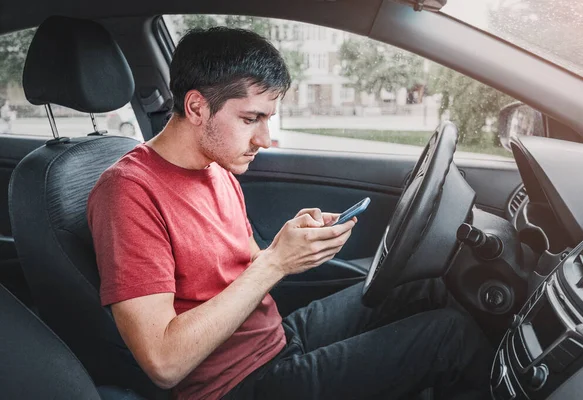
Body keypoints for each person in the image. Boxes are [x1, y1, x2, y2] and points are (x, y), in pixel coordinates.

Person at [88, 27, 492, 400]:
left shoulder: (215, 168)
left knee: (425, 284)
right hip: (236, 385)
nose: (264, 139)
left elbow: (245, 270)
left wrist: (293, 244)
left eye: (268, 119)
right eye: (251, 119)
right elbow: (164, 362)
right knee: (449, 337)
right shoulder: (128, 192)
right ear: (196, 106)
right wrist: (276, 263)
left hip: (277, 339)